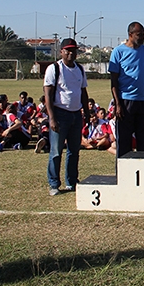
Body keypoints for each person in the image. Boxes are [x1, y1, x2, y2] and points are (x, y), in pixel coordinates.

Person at [44, 38, 89, 196]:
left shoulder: (80, 69)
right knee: (56, 151)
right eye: (68, 50)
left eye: (74, 50)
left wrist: (87, 113)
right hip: (60, 113)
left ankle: (71, 181)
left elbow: (83, 92)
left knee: (74, 151)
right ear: (61, 51)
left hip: (76, 114)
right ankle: (54, 183)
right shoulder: (54, 69)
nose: (71, 53)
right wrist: (52, 118)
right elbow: (48, 95)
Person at [109, 22, 144, 156]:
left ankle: (143, 173)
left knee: (142, 141)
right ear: (130, 35)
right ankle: (123, 175)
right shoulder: (118, 52)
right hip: (125, 101)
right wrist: (117, 104)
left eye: (143, 34)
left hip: (143, 101)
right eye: (139, 35)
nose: (142, 37)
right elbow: (113, 81)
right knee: (124, 142)